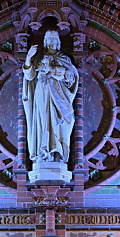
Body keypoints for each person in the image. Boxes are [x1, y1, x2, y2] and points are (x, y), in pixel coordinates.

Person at [22, 30, 79, 171]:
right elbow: (29, 76)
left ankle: (59, 153)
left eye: (54, 39)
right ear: (45, 41)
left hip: (59, 95)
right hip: (42, 92)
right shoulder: (38, 58)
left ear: (58, 42)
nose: (52, 41)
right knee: (43, 122)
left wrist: (55, 70)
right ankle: (43, 153)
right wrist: (29, 57)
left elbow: (72, 77)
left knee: (65, 121)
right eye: (49, 39)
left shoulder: (64, 59)